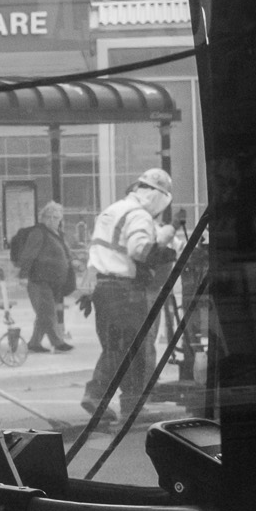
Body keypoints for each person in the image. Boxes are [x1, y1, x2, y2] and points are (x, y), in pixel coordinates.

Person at [81, 168, 179, 421]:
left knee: (115, 345)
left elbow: (97, 252)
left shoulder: (111, 211)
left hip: (102, 287)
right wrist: (166, 250)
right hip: (124, 289)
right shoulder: (139, 216)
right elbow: (140, 250)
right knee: (131, 348)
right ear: (159, 196)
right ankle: (112, 399)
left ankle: (114, 402)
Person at [7, 200, 76, 352]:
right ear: (42, 218)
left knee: (44, 313)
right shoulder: (39, 233)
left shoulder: (58, 234)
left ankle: (34, 343)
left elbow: (65, 254)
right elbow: (28, 255)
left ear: (60, 219)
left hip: (53, 282)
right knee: (48, 312)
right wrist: (23, 276)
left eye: (56, 217)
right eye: (49, 217)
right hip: (39, 280)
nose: (52, 220)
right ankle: (57, 343)